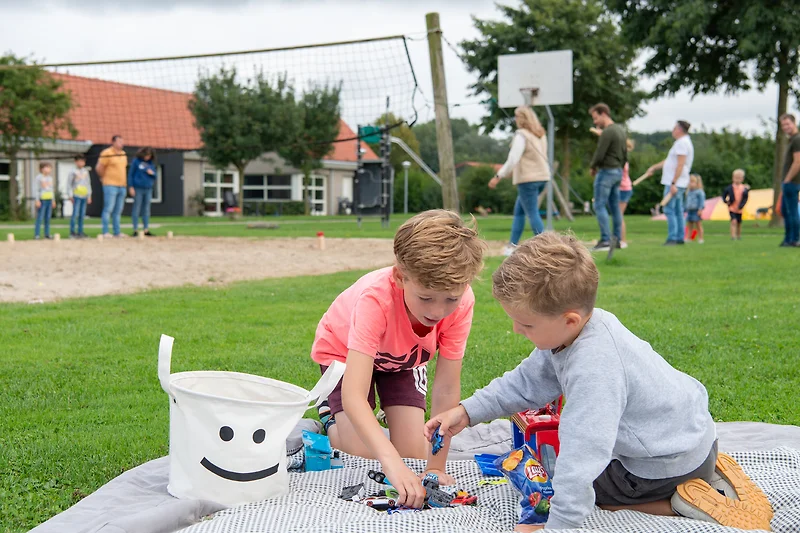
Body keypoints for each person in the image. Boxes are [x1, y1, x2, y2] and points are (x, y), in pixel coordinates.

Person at [425, 232, 773, 532]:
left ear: (569, 319)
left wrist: (556, 522)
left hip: (660, 468)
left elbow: (583, 450)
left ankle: (677, 503)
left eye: (526, 324)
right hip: (694, 441)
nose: (517, 330)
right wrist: (466, 412)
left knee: (565, 482)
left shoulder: (595, 367)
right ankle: (704, 477)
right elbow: (525, 383)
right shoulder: (579, 329)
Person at [310, 210, 486, 509]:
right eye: (426, 298)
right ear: (400, 277)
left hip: (402, 360)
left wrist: (435, 467)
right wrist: (390, 462)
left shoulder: (463, 302)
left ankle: (379, 426)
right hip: (344, 353)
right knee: (361, 452)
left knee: (414, 454)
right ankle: (330, 415)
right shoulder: (375, 299)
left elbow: (446, 388)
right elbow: (354, 395)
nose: (438, 311)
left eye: (450, 299)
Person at [489, 106, 550, 256]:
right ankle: (512, 245)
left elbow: (513, 158)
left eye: (516, 117)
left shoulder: (521, 135)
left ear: (522, 118)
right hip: (543, 178)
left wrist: (499, 175)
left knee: (532, 213)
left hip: (528, 180)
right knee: (519, 212)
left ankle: (547, 248)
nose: (515, 120)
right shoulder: (540, 134)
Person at [643, 121, 695, 245]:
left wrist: (673, 183)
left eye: (675, 128)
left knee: (669, 210)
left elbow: (680, 164)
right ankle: (679, 237)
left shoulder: (682, 143)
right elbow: (669, 161)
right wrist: (654, 168)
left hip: (675, 183)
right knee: (677, 210)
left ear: (680, 130)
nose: (673, 130)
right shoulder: (683, 142)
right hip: (678, 182)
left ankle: (673, 238)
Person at [588, 103, 627, 252]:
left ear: (604, 113)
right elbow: (625, 155)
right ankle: (616, 240)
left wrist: (593, 166)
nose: (595, 122)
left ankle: (605, 239)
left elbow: (600, 153)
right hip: (618, 172)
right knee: (615, 207)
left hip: (606, 172)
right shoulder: (621, 130)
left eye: (596, 118)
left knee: (599, 204)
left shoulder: (608, 132)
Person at [95, 135, 128, 238]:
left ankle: (117, 232)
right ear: (113, 142)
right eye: (119, 141)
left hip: (122, 185)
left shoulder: (123, 154)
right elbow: (99, 167)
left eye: (122, 141)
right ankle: (105, 232)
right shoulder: (107, 153)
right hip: (110, 185)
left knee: (118, 210)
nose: (121, 143)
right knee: (108, 209)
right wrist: (103, 178)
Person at [779, 113, 800, 247]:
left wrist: (787, 179)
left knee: (792, 211)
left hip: (792, 182)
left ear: (794, 123)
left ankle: (794, 239)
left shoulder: (797, 139)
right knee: (784, 210)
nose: (785, 127)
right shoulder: (791, 139)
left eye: (788, 124)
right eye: (783, 125)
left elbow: (798, 162)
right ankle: (788, 238)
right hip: (788, 182)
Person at [128, 147, 157, 237]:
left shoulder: (151, 164)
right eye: (146, 155)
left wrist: (151, 173)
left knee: (146, 209)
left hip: (148, 188)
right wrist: (131, 187)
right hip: (138, 188)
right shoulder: (136, 162)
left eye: (149, 155)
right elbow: (130, 174)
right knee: (137, 208)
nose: (147, 157)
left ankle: (146, 229)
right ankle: (135, 230)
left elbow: (155, 175)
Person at [69, 154, 92, 239]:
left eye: (83, 161)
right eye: (79, 161)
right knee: (75, 214)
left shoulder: (85, 172)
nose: (81, 163)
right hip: (76, 195)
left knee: (82, 215)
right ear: (76, 162)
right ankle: (72, 232)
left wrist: (89, 195)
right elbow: (69, 184)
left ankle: (80, 231)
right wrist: (70, 195)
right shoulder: (72, 172)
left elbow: (88, 184)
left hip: (84, 195)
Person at [618, 139, 635, 248]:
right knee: (618, 216)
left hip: (623, 189)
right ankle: (619, 239)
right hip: (625, 189)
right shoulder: (622, 158)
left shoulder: (621, 160)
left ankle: (622, 241)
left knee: (619, 216)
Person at [722, 169, 749, 241]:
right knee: (733, 221)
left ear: (742, 179)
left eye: (739, 178)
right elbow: (724, 195)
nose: (737, 180)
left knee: (739, 223)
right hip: (732, 208)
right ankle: (733, 236)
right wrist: (726, 201)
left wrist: (742, 205)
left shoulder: (744, 188)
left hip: (740, 209)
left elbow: (745, 198)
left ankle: (739, 236)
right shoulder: (730, 188)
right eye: (735, 178)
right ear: (733, 178)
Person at [34, 162, 56, 240]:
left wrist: (53, 200)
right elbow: (36, 189)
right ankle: (37, 234)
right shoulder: (39, 178)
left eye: (50, 168)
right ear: (42, 169)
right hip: (42, 200)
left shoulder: (50, 178)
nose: (49, 169)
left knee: (48, 218)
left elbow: (51, 190)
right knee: (40, 217)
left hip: (49, 199)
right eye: (47, 167)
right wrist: (37, 200)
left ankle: (47, 234)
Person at [684, 174, 706, 243]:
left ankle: (701, 238)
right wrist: (685, 209)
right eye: (689, 182)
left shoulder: (699, 192)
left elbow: (701, 201)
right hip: (689, 211)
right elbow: (686, 202)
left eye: (692, 182)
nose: (690, 183)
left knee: (698, 225)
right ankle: (688, 238)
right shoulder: (688, 192)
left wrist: (700, 209)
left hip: (696, 211)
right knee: (689, 225)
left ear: (697, 183)